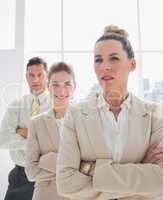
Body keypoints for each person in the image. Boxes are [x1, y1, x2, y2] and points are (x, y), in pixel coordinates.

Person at [56, 25, 163, 200]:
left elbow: (160, 180)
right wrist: (142, 170)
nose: (105, 66)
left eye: (114, 58)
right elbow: (65, 182)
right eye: (98, 60)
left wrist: (90, 169)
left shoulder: (154, 114)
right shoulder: (75, 114)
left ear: (132, 64)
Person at [0, 57, 51, 200]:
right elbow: (3, 139)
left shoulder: (56, 106)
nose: (35, 80)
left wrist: (23, 133)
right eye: (31, 75)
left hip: (47, 176)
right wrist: (37, 140)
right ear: (26, 77)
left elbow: (56, 143)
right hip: (20, 176)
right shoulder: (16, 105)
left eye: (40, 75)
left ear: (47, 76)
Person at [25, 62, 76, 200]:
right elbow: (31, 172)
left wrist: (47, 160)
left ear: (74, 87)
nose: (61, 90)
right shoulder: (36, 123)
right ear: (48, 87)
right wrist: (71, 169)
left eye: (67, 84)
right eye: (55, 84)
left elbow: (91, 169)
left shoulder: (86, 121)